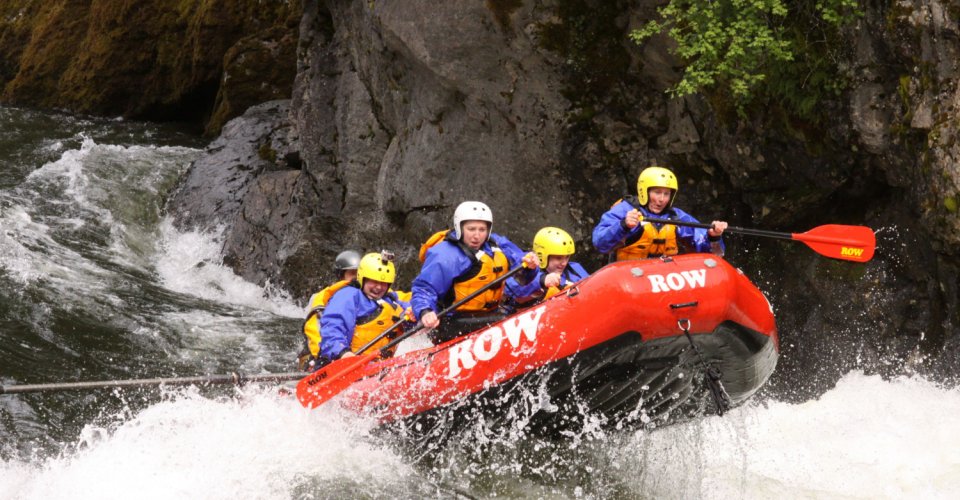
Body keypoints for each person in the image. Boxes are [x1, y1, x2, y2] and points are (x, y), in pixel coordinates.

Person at [411, 201, 539, 345]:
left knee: (506, 316)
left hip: (492, 315)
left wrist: (530, 266)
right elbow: (424, 289)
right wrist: (425, 312)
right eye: (471, 229)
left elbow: (523, 276)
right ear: (460, 228)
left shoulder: (498, 245)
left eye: (482, 229)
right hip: (454, 322)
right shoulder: (446, 255)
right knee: (502, 319)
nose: (477, 236)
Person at [592, 166, 728, 261]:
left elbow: (713, 254)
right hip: (627, 276)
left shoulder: (676, 216)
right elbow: (599, 242)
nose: (661, 199)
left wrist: (713, 237)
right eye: (657, 192)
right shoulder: (625, 210)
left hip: (663, 277)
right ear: (644, 191)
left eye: (666, 194)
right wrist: (623, 225)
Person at [317, 250, 412, 363]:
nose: (378, 287)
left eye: (383, 283)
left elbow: (412, 306)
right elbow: (332, 325)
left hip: (378, 366)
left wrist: (416, 315)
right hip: (344, 362)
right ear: (362, 278)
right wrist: (342, 352)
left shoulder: (391, 300)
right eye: (373, 281)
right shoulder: (349, 295)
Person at [297, 250, 361, 370]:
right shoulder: (322, 297)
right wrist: (326, 356)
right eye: (352, 273)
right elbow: (315, 329)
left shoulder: (368, 295)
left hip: (350, 353)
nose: (356, 278)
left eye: (359, 274)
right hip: (319, 355)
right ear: (341, 276)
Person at [503, 226, 590, 312]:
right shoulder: (528, 273)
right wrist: (542, 281)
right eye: (558, 258)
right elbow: (511, 289)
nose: (564, 263)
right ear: (542, 256)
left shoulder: (575, 269)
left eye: (567, 257)